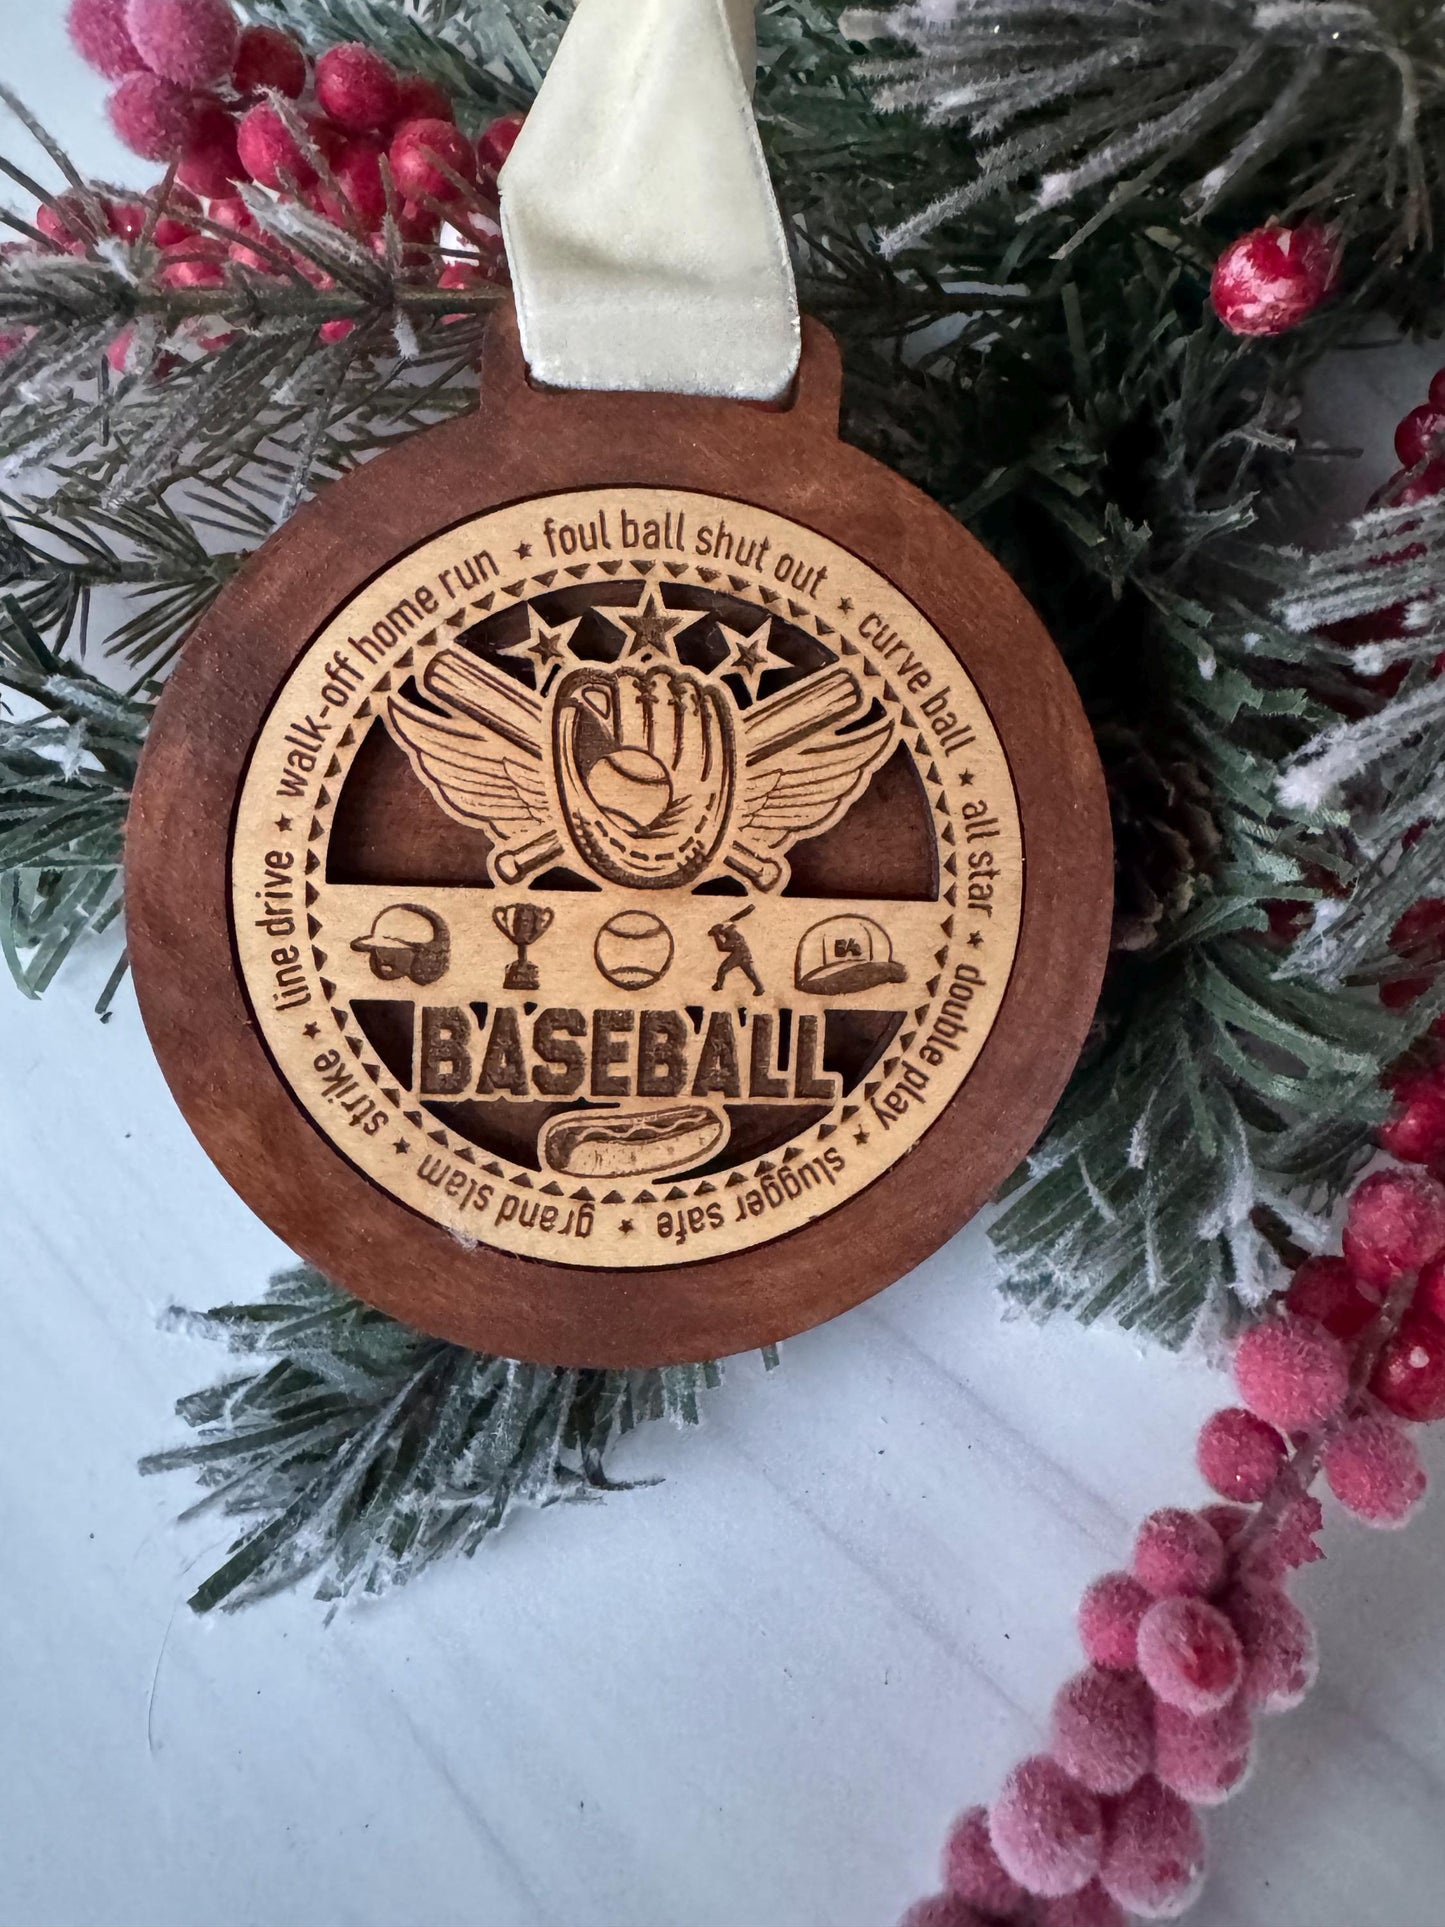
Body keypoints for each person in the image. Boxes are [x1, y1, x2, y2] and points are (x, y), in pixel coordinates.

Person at [709, 908, 764, 996]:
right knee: (750, 972)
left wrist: (716, 936)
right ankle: (760, 988)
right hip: (744, 953)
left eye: (720, 932)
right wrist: (749, 908)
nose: (721, 934)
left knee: (723, 969)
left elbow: (722, 947)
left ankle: (719, 984)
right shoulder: (735, 935)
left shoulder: (732, 938)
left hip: (738, 955)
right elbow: (738, 916)